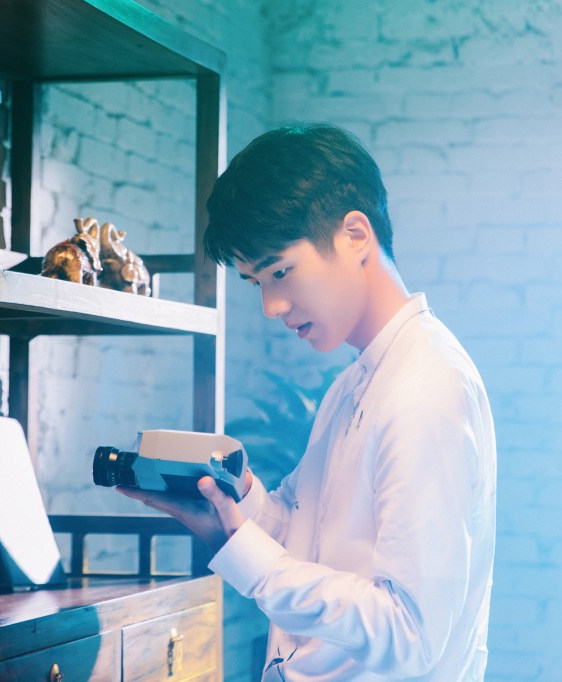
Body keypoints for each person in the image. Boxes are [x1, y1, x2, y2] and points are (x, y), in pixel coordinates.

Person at [118, 123, 496, 681]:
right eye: (256, 283)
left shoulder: (425, 386)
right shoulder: (355, 383)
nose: (271, 306)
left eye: (280, 271)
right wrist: (234, 506)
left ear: (355, 235)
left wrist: (250, 560)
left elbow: (410, 636)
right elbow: (305, 540)